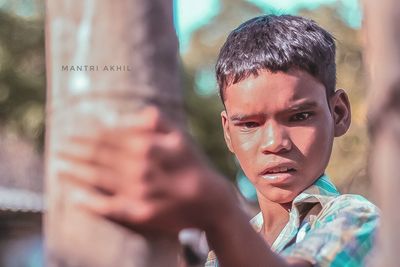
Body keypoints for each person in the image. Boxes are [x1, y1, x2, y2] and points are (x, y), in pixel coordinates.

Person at [58, 14, 379, 267]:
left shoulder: (357, 220)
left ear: (338, 114)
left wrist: (218, 210)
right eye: (249, 124)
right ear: (228, 131)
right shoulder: (223, 249)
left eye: (299, 117)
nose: (274, 142)